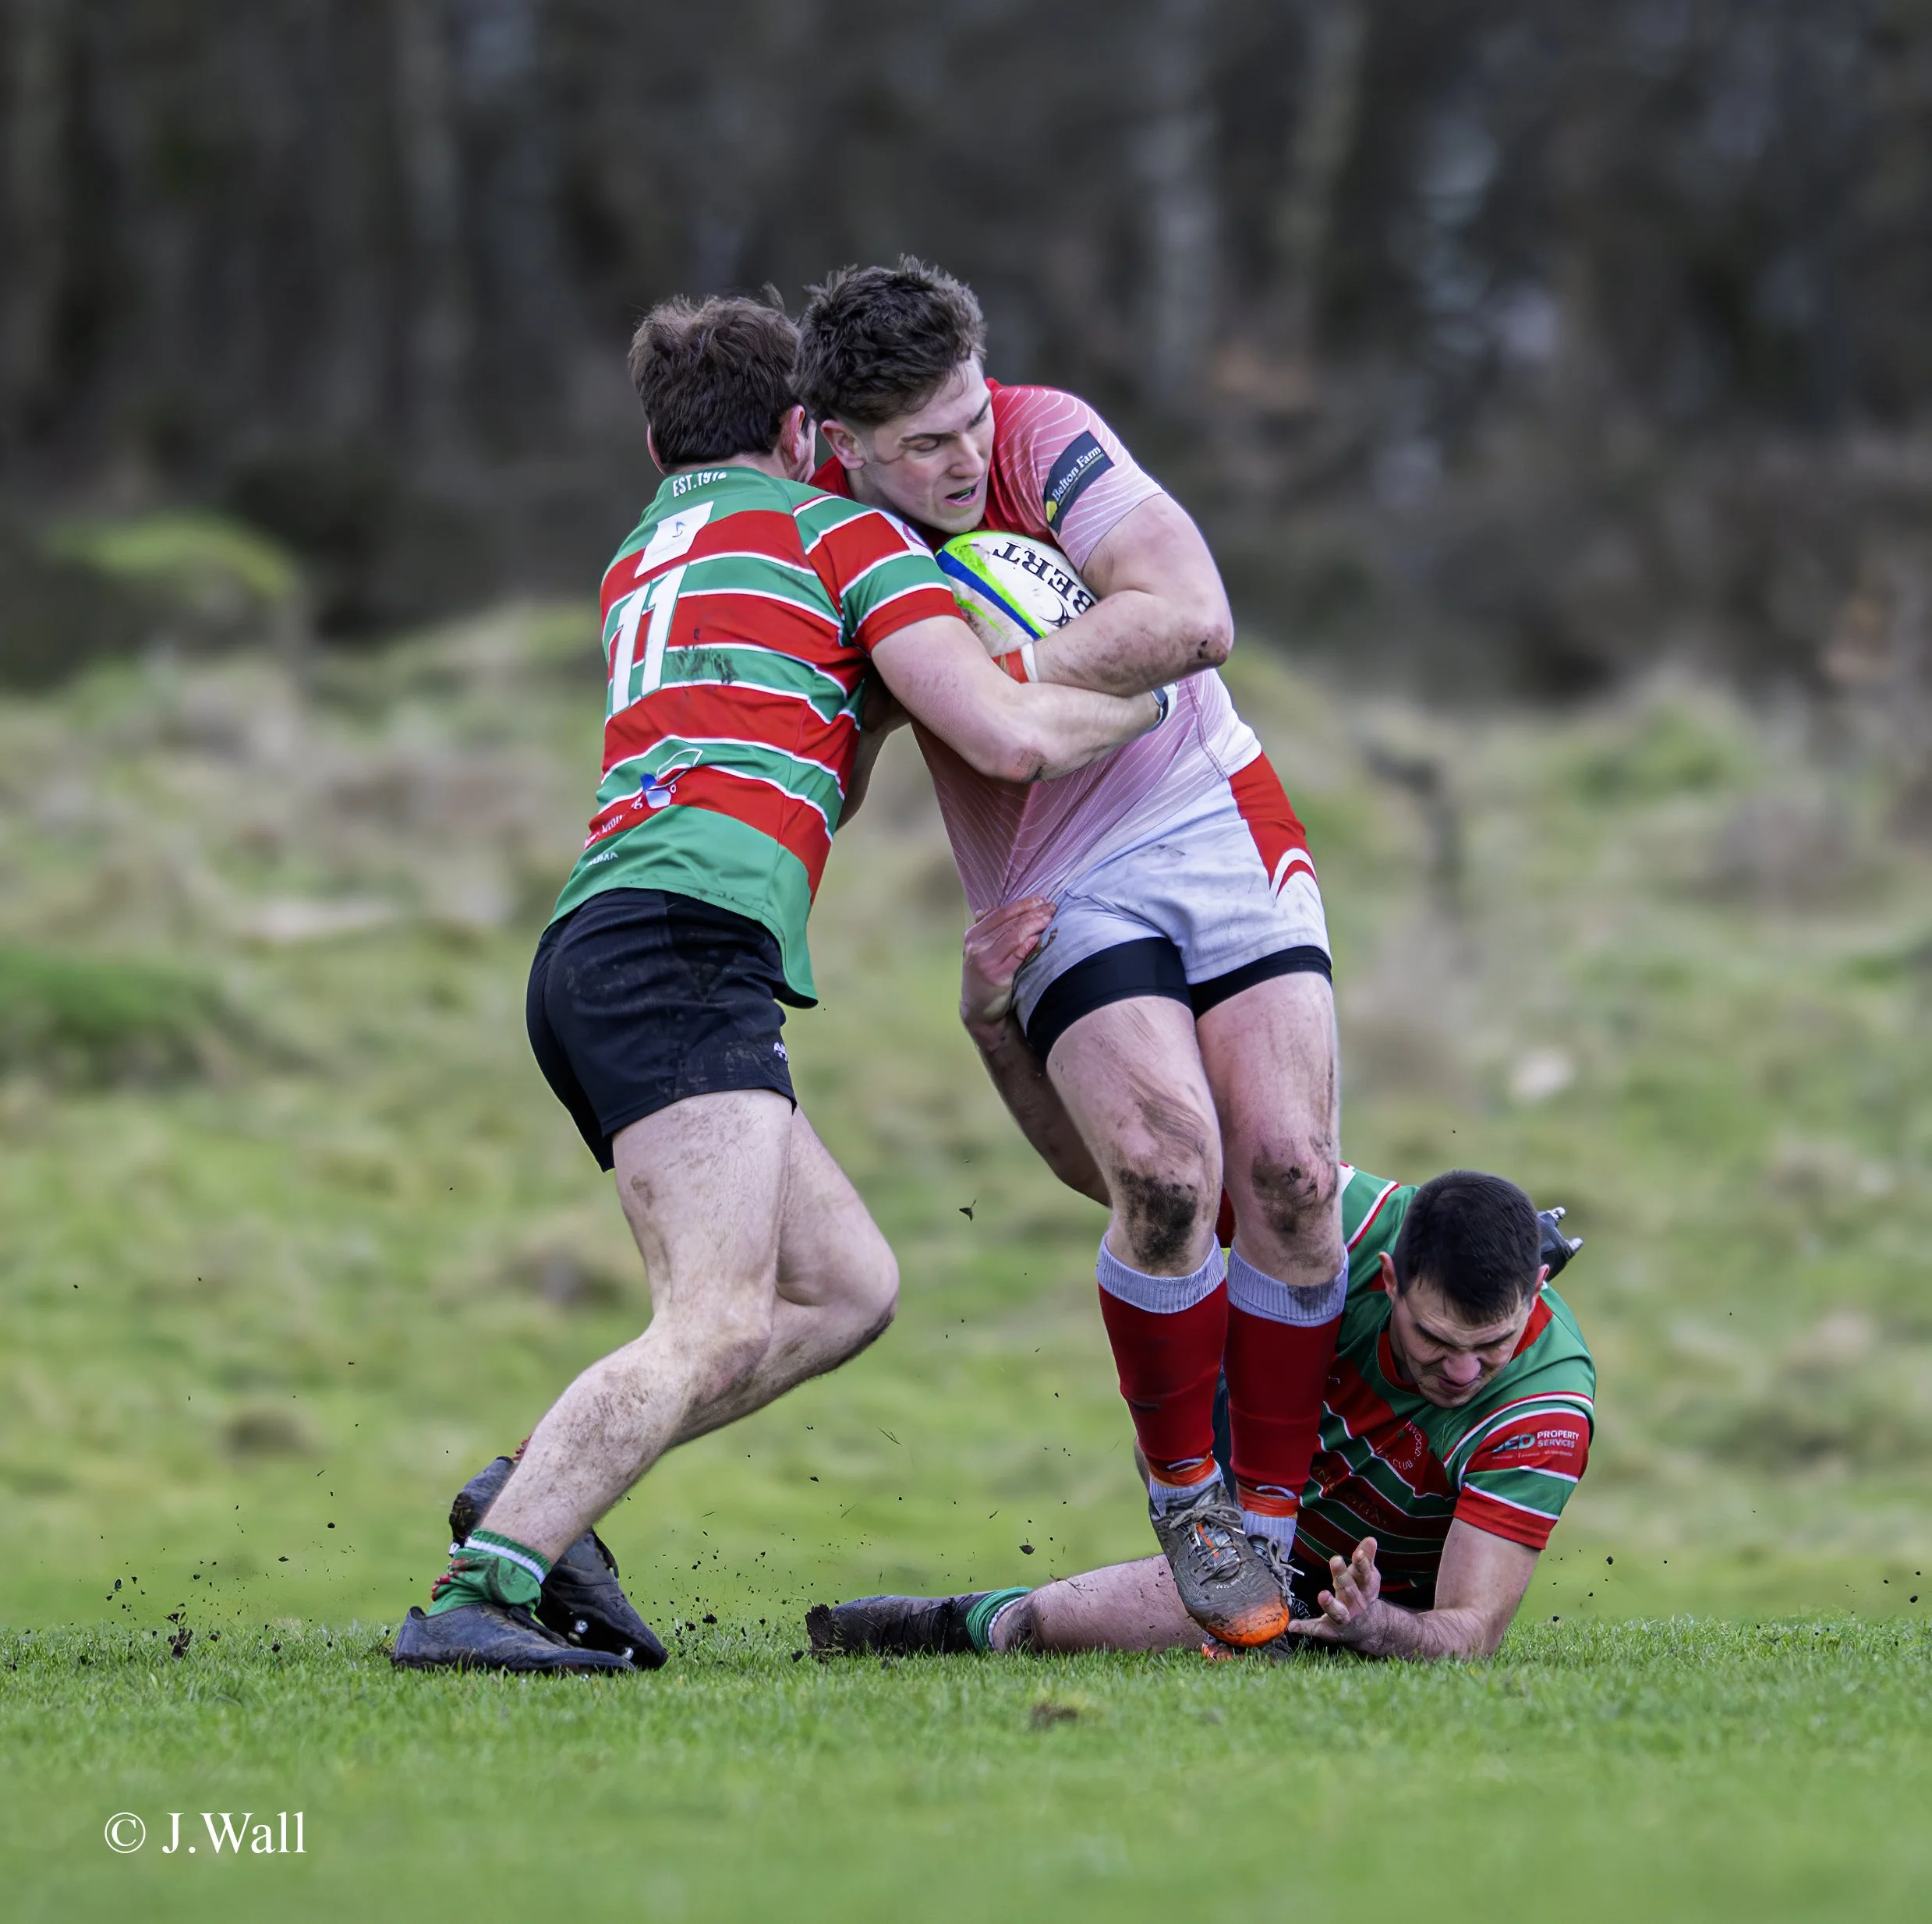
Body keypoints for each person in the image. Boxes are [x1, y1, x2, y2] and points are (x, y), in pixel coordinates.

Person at [392, 293, 1168, 1673]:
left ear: (652, 442)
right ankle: (482, 1586)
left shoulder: (642, 551)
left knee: (845, 1286)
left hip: (605, 944)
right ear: (808, 431)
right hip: (680, 944)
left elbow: (816, 751)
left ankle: (537, 1498)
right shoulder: (842, 531)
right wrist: (1148, 693)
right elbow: (1000, 736)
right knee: (715, 1311)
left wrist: (874, 689)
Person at [796, 260, 1344, 1647]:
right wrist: (896, 691)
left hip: (1210, 802)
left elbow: (1195, 616)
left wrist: (988, 669)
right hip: (1051, 875)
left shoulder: (1045, 432)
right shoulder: (827, 532)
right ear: (843, 444)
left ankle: (1264, 1531)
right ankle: (1188, 1499)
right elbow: (835, 780)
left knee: (1288, 1172)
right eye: (923, 442)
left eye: (970, 415)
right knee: (1163, 1175)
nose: (967, 458)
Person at [809, 1162, 1596, 1664]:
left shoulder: (1544, 1399)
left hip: (1368, 1596)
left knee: (1067, 1624)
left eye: (1491, 1343)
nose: (1463, 1370)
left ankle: (969, 1622)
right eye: (1435, 1337)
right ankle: (960, 1619)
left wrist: (1373, 1624)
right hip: (1236, 1509)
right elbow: (1147, 1177)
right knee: (1212, 1308)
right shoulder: (1336, 1223)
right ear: (1389, 1277)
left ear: (1534, 1290)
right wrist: (1005, 1022)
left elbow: (1469, 1632)